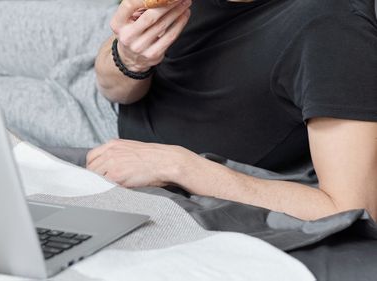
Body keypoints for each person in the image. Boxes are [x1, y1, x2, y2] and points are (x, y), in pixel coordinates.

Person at [88, 0, 377, 221]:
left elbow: (351, 207)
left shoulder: (334, 26)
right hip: (102, 95)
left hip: (116, 144)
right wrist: (130, 58)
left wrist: (178, 166)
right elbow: (112, 88)